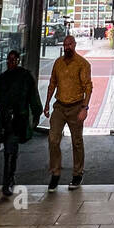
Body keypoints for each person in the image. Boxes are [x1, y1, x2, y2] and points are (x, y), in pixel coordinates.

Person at [0, 50, 41, 197]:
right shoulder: (4, 78)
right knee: (10, 149)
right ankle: (8, 180)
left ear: (18, 60)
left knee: (11, 149)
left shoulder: (24, 77)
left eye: (13, 60)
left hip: (18, 118)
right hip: (7, 119)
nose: (11, 62)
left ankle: (8, 180)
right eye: (9, 60)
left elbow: (33, 95)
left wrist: (36, 112)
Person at [42, 34, 92, 191]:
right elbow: (52, 83)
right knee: (53, 139)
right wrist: (47, 104)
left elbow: (88, 87)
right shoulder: (58, 63)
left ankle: (77, 173)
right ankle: (55, 173)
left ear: (75, 45)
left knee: (77, 142)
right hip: (60, 106)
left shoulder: (82, 64)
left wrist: (85, 108)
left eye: (70, 44)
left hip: (76, 106)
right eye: (65, 45)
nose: (67, 47)